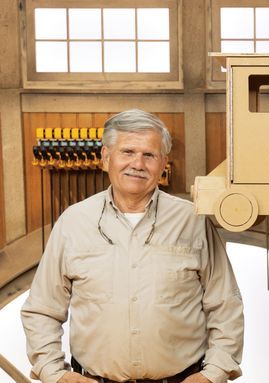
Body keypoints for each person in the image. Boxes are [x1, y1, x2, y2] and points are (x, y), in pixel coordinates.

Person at [21, 109, 244, 383]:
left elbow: (225, 305)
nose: (137, 164)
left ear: (163, 163)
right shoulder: (73, 223)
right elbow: (42, 309)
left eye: (149, 155)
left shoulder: (193, 221)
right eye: (127, 152)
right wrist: (54, 374)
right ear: (106, 158)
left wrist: (213, 374)